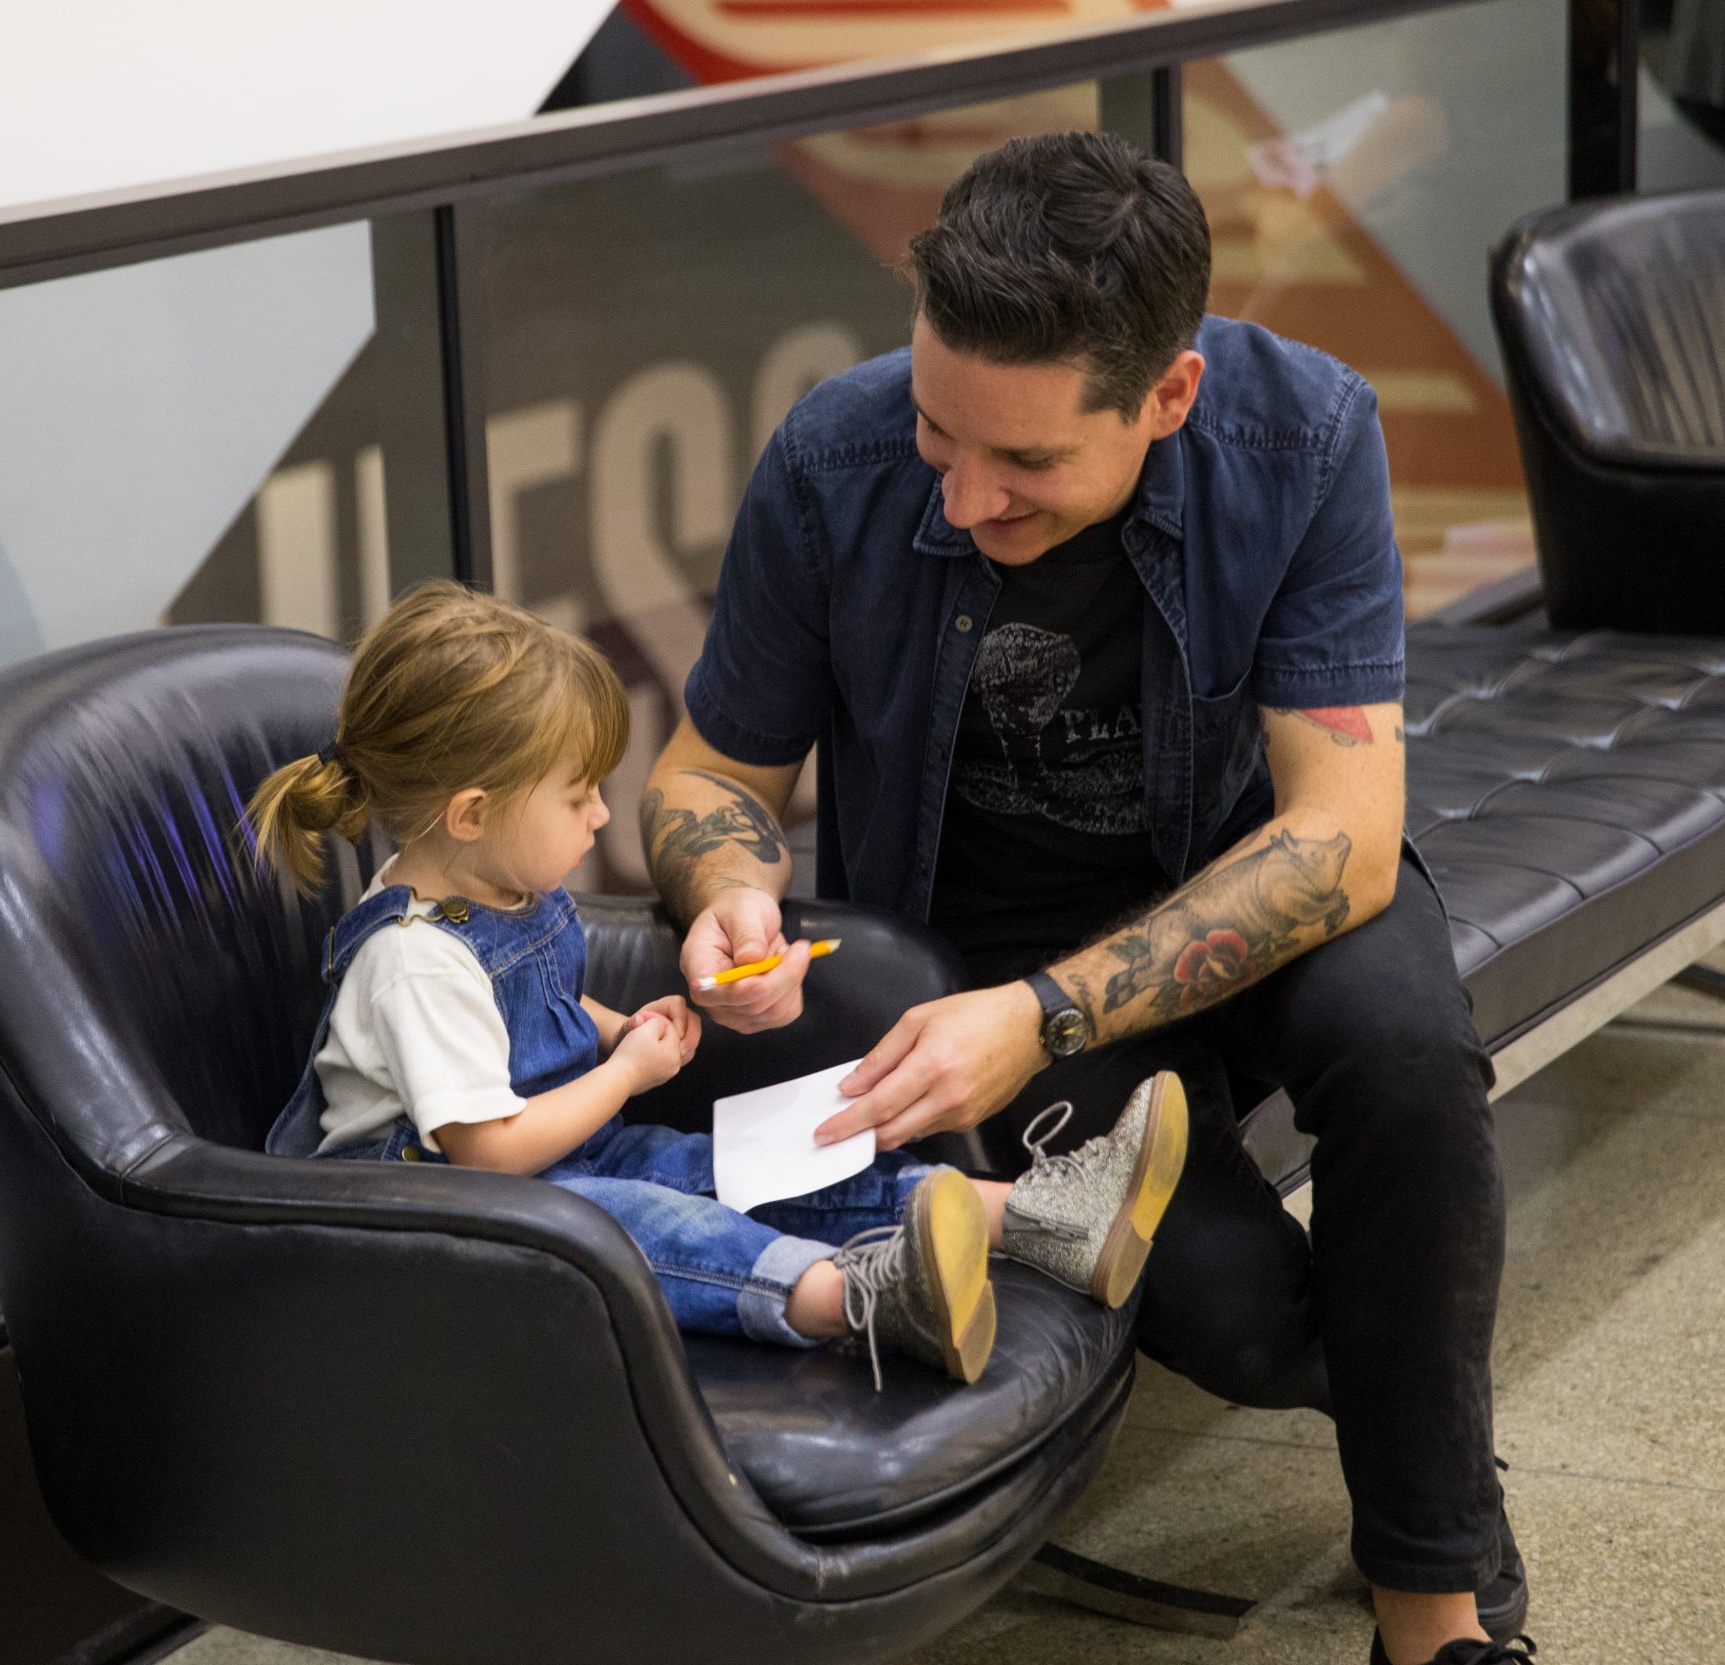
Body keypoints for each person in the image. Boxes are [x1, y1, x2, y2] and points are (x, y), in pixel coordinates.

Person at [642, 133, 1524, 1665]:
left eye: (1029, 462)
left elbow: (1345, 841)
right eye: (941, 431)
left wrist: (1043, 1022)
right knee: (1243, 1320)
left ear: (1167, 397)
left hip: (1266, 891)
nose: (969, 494)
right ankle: (1425, 1422)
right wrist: (727, 883)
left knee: (1412, 1062)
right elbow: (709, 771)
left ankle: (1433, 1600)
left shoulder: (1304, 436)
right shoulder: (835, 458)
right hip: (986, 944)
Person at [250, 581, 1188, 1387]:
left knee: (736, 1166)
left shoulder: (492, 885)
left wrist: (616, 1029)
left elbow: (516, 1014)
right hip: (447, 1224)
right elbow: (487, 1151)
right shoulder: (411, 957)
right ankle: (859, 1299)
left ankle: (1032, 1218)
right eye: (577, 795)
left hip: (558, 1161)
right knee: (650, 1227)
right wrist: (623, 1077)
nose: (602, 813)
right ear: (471, 812)